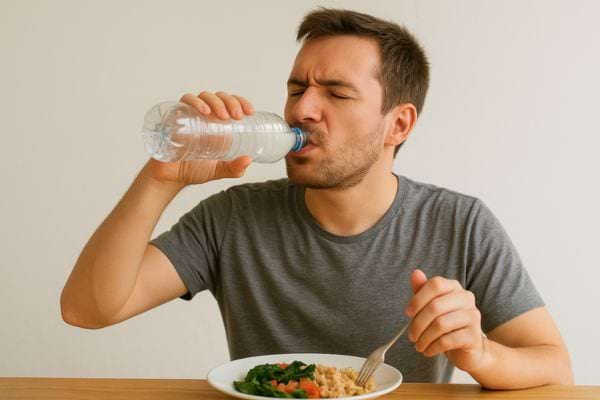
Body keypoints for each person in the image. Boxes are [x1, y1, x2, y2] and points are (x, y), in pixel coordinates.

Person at [60, 7, 573, 388]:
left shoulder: (458, 222)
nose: (302, 108)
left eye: (336, 92)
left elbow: (555, 367)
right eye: (296, 87)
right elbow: (87, 308)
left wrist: (480, 353)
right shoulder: (234, 218)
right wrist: (160, 180)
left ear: (399, 123)